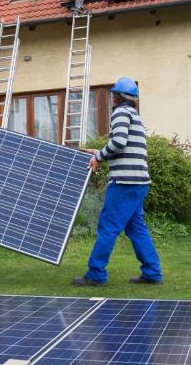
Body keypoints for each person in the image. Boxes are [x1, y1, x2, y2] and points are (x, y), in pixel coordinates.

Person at [73, 77, 162, 286]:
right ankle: (152, 272)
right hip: (139, 182)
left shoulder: (120, 113)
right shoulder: (134, 116)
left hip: (124, 183)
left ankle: (95, 274)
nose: (111, 97)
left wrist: (98, 157)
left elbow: (119, 142)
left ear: (119, 97)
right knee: (136, 228)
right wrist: (100, 152)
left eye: (114, 94)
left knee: (108, 227)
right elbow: (124, 147)